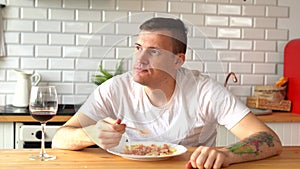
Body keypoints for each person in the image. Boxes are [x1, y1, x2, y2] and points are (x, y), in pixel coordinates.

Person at [52, 17, 282, 169]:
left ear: (177, 60)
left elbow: (270, 139)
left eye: (153, 52)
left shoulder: (205, 90)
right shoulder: (115, 88)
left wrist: (228, 154)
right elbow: (59, 138)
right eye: (138, 48)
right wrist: (90, 134)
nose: (139, 60)